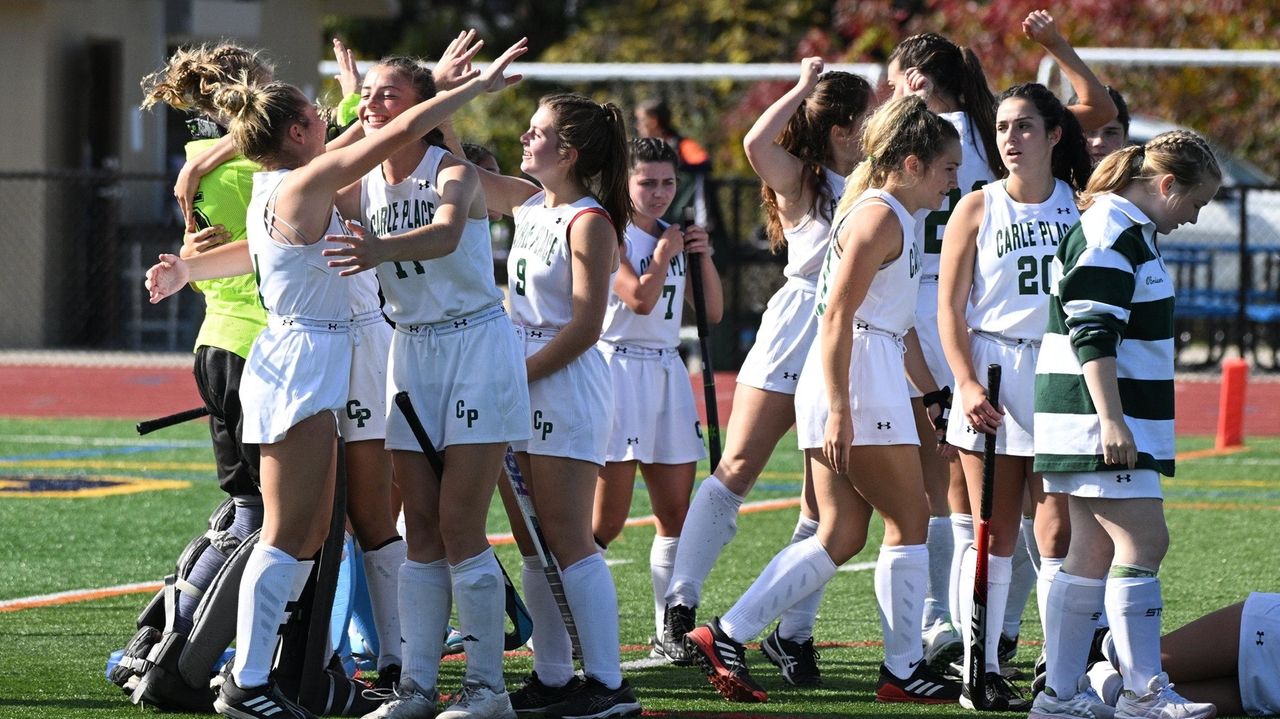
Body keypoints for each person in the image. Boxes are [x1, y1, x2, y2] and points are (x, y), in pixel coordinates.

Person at [145, 36, 527, 719]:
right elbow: (399, 129)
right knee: (289, 534)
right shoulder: (306, 181)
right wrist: (469, 88)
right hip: (302, 363)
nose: (336, 116)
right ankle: (250, 680)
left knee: (311, 531)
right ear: (297, 132)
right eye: (319, 117)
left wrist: (188, 269)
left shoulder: (280, 179)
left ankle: (304, 672)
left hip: (306, 362)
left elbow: (371, 141)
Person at [683, 95, 963, 705]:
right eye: (947, 168)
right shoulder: (878, 218)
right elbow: (838, 317)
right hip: (856, 381)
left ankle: (726, 634)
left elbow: (898, 327)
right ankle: (903, 668)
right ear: (912, 164)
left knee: (839, 532)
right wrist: (838, 406)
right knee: (911, 517)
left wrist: (935, 395)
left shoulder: (894, 217)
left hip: (864, 373)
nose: (953, 183)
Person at [320, 41, 533, 719]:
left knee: (461, 524)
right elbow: (318, 171)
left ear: (421, 108)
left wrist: (381, 247)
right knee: (421, 535)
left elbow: (444, 235)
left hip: (474, 345)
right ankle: (415, 686)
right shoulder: (364, 179)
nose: (371, 105)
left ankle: (486, 690)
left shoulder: (453, 171)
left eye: (388, 94)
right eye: (369, 95)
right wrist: (362, 102)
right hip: (410, 353)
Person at [657, 60, 873, 686]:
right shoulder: (805, 180)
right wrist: (801, 89)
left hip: (853, 329)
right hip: (800, 322)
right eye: (866, 116)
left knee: (823, 500)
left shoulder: (874, 176)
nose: (875, 126)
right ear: (839, 126)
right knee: (738, 468)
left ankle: (792, 633)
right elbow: (755, 144)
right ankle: (681, 603)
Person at [1027, 129, 1222, 719]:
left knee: (1088, 552)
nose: (1192, 217)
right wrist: (1111, 418)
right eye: (1195, 202)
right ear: (1166, 185)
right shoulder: (1112, 230)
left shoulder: (1128, 231)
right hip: (1098, 418)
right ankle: (1142, 693)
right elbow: (1092, 330)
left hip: (1097, 416)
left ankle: (1059, 696)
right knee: (1143, 542)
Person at [474, 92, 642, 719]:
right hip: (518, 376)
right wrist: (451, 92)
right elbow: (456, 168)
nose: (524, 136)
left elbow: (585, 326)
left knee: (569, 537)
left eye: (537, 131)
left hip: (560, 380)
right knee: (530, 541)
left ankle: (606, 681)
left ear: (567, 152)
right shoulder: (529, 203)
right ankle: (551, 676)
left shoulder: (589, 222)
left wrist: (517, 377)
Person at [938, 81, 1093, 711]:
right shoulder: (976, 207)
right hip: (994, 367)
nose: (1010, 139)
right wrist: (966, 380)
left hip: (1058, 370)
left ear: (1054, 135)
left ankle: (1059, 673)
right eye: (1002, 127)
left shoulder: (1082, 207)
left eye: (1025, 126)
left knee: (1055, 536)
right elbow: (949, 308)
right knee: (994, 532)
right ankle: (983, 667)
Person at [137, 39, 270, 657]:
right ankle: (210, 646)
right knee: (282, 521)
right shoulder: (262, 165)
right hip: (263, 349)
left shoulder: (199, 159)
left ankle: (169, 633)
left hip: (214, 342)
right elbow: (336, 148)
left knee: (246, 510)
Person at [884, 30, 1004, 669]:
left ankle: (940, 624)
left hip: (918, 299)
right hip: (969, 307)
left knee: (932, 479)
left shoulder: (916, 134)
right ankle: (973, 626)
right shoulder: (990, 130)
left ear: (918, 77)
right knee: (968, 480)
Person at [590, 137, 723, 657]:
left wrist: (701, 256)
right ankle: (570, 618)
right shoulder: (610, 233)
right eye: (647, 182)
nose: (659, 192)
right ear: (626, 182)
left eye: (668, 182)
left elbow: (710, 311)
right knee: (607, 521)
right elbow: (640, 299)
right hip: (616, 368)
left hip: (666, 373)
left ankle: (668, 630)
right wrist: (665, 254)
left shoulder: (676, 236)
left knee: (675, 513)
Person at [1087, 593, 1280, 717]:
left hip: (1274, 694)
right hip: (1269, 633)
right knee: (1135, 667)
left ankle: (1083, 673)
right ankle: (1093, 638)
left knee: (1136, 699)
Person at [633, 98, 716, 229]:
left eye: (641, 120)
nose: (637, 125)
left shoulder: (684, 145)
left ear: (653, 121)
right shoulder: (637, 151)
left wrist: (676, 164)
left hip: (686, 215)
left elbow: (703, 165)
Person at [1073, 86, 1131, 167]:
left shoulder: (1143, 178)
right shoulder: (1051, 178)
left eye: (1110, 133)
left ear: (1126, 136)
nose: (1098, 142)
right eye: (1088, 131)